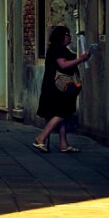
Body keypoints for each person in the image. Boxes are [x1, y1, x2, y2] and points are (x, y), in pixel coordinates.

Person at [33, 25, 91, 154]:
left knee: (61, 113)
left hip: (54, 85)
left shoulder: (57, 48)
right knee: (63, 112)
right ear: (63, 36)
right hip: (58, 87)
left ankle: (63, 144)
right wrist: (81, 59)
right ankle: (40, 138)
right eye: (68, 34)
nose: (70, 37)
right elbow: (63, 65)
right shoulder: (58, 48)